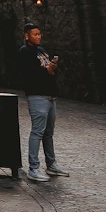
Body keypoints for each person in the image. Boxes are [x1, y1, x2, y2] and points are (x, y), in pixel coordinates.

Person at [16, 23, 68, 181]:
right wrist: (47, 70)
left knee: (48, 133)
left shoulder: (42, 50)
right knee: (37, 131)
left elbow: (51, 72)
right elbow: (30, 74)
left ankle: (51, 165)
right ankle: (34, 168)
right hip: (37, 96)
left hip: (50, 96)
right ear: (27, 36)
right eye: (35, 34)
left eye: (39, 34)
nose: (38, 37)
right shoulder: (24, 52)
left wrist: (52, 68)